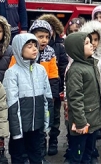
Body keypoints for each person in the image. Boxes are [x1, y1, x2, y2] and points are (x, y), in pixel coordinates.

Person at [3, 34, 53, 164]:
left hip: (36, 126)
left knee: (37, 154)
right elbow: (12, 103)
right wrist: (16, 130)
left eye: (35, 46)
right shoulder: (12, 73)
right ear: (19, 49)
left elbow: (47, 97)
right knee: (18, 155)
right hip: (20, 127)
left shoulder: (41, 70)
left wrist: (46, 121)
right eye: (29, 46)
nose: (34, 49)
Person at [64, 32, 101, 164]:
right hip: (82, 123)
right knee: (78, 153)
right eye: (87, 43)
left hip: (92, 120)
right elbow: (75, 99)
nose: (91, 45)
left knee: (88, 152)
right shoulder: (76, 70)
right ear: (77, 48)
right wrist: (81, 122)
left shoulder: (91, 64)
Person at [37, 13, 70, 156]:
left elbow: (62, 69)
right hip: (38, 92)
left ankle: (54, 140)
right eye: (41, 36)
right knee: (42, 118)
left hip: (54, 90)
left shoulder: (59, 47)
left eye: (47, 35)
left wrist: (58, 91)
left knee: (55, 117)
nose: (44, 40)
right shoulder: (32, 49)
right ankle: (42, 141)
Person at [79, 20, 101, 161]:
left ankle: (92, 152)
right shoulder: (78, 59)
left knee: (94, 129)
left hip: (96, 101)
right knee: (81, 128)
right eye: (90, 39)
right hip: (82, 101)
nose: (93, 43)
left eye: (96, 39)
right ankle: (80, 153)